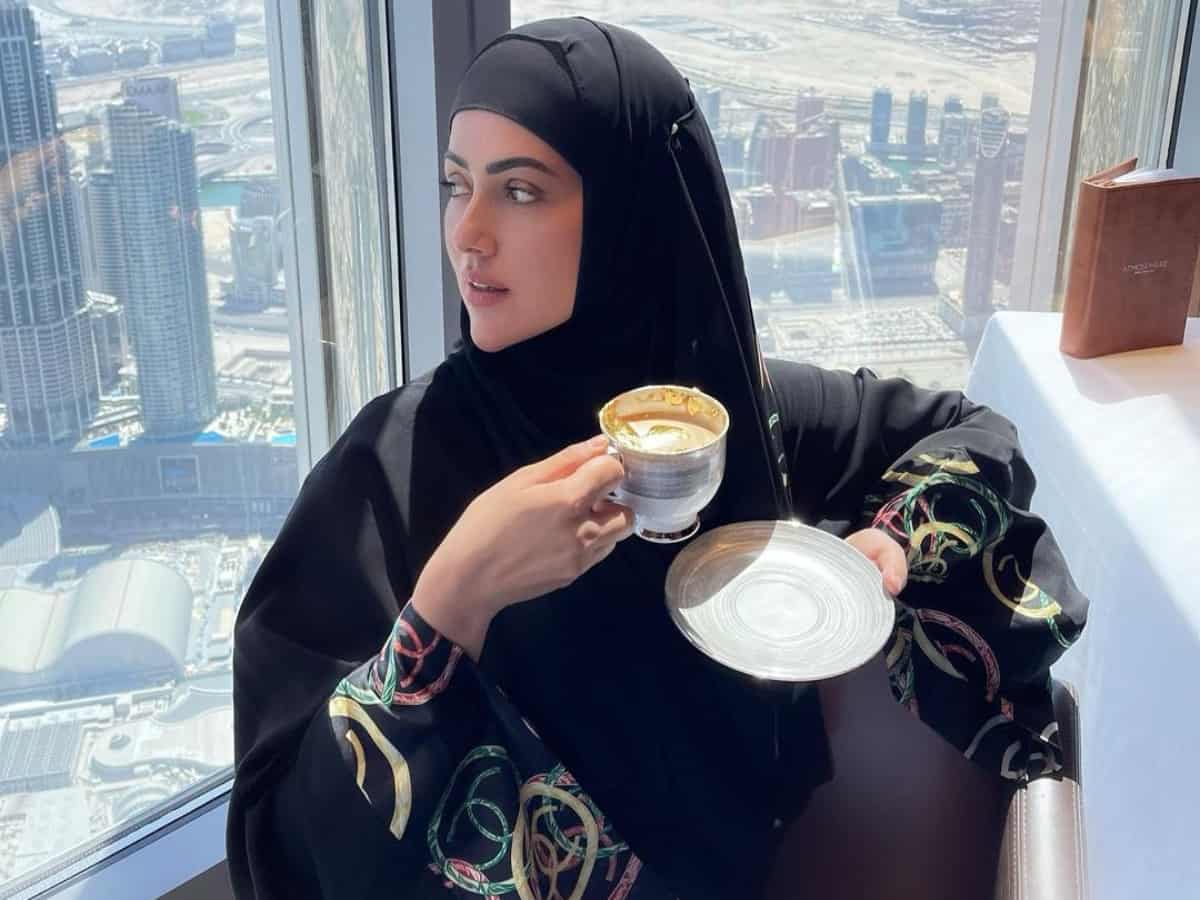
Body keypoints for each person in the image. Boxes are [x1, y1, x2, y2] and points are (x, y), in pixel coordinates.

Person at [228, 18, 1086, 900]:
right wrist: (455, 596)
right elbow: (287, 852)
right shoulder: (391, 470)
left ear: (631, 215)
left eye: (519, 191)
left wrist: (897, 540)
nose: (467, 234)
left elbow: (970, 432)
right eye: (456, 185)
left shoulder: (722, 415)